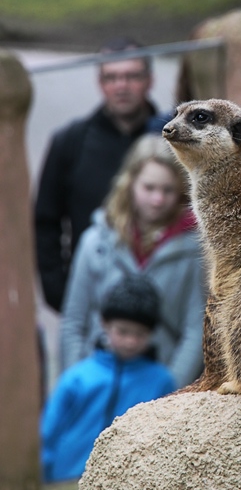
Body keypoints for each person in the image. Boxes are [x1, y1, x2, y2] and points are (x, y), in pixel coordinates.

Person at [35, 36, 172, 313]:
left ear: (150, 80)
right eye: (111, 77)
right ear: (100, 83)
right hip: (91, 297)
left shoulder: (173, 139)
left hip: (166, 297)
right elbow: (46, 221)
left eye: (132, 76)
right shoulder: (69, 141)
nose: (121, 86)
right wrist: (59, 293)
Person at [60, 134, 206, 388]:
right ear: (130, 183)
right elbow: (74, 321)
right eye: (149, 188)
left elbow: (195, 331)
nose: (157, 199)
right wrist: (78, 383)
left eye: (168, 190)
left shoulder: (196, 249)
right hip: (96, 383)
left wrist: (168, 393)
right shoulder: (96, 240)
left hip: (158, 387)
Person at [41, 273, 176, 483]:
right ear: (104, 324)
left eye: (140, 334)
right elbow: (48, 432)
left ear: (152, 333)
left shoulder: (161, 381)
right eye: (122, 332)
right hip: (67, 478)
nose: (130, 341)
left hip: (129, 481)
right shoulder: (78, 377)